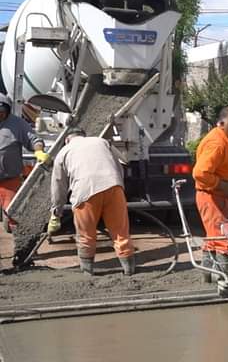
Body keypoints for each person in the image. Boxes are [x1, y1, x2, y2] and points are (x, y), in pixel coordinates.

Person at [48, 128, 135, 275]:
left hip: (85, 192)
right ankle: (129, 269)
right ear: (84, 135)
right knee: (120, 231)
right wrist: (119, 187)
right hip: (114, 187)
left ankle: (88, 272)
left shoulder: (64, 152)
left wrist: (56, 211)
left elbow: (58, 186)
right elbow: (121, 162)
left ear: (67, 139)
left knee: (86, 234)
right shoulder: (102, 142)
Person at [192, 106, 228, 281]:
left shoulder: (226, 140)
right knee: (225, 238)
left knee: (214, 238)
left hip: (220, 196)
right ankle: (223, 280)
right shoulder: (217, 143)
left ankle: (209, 277)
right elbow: (200, 173)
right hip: (213, 197)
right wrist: (221, 185)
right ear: (221, 123)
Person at [0, 93, 48, 229]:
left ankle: (19, 245)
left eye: (2, 112)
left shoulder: (16, 123)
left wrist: (39, 151)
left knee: (13, 216)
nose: (0, 115)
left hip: (9, 180)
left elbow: (34, 140)